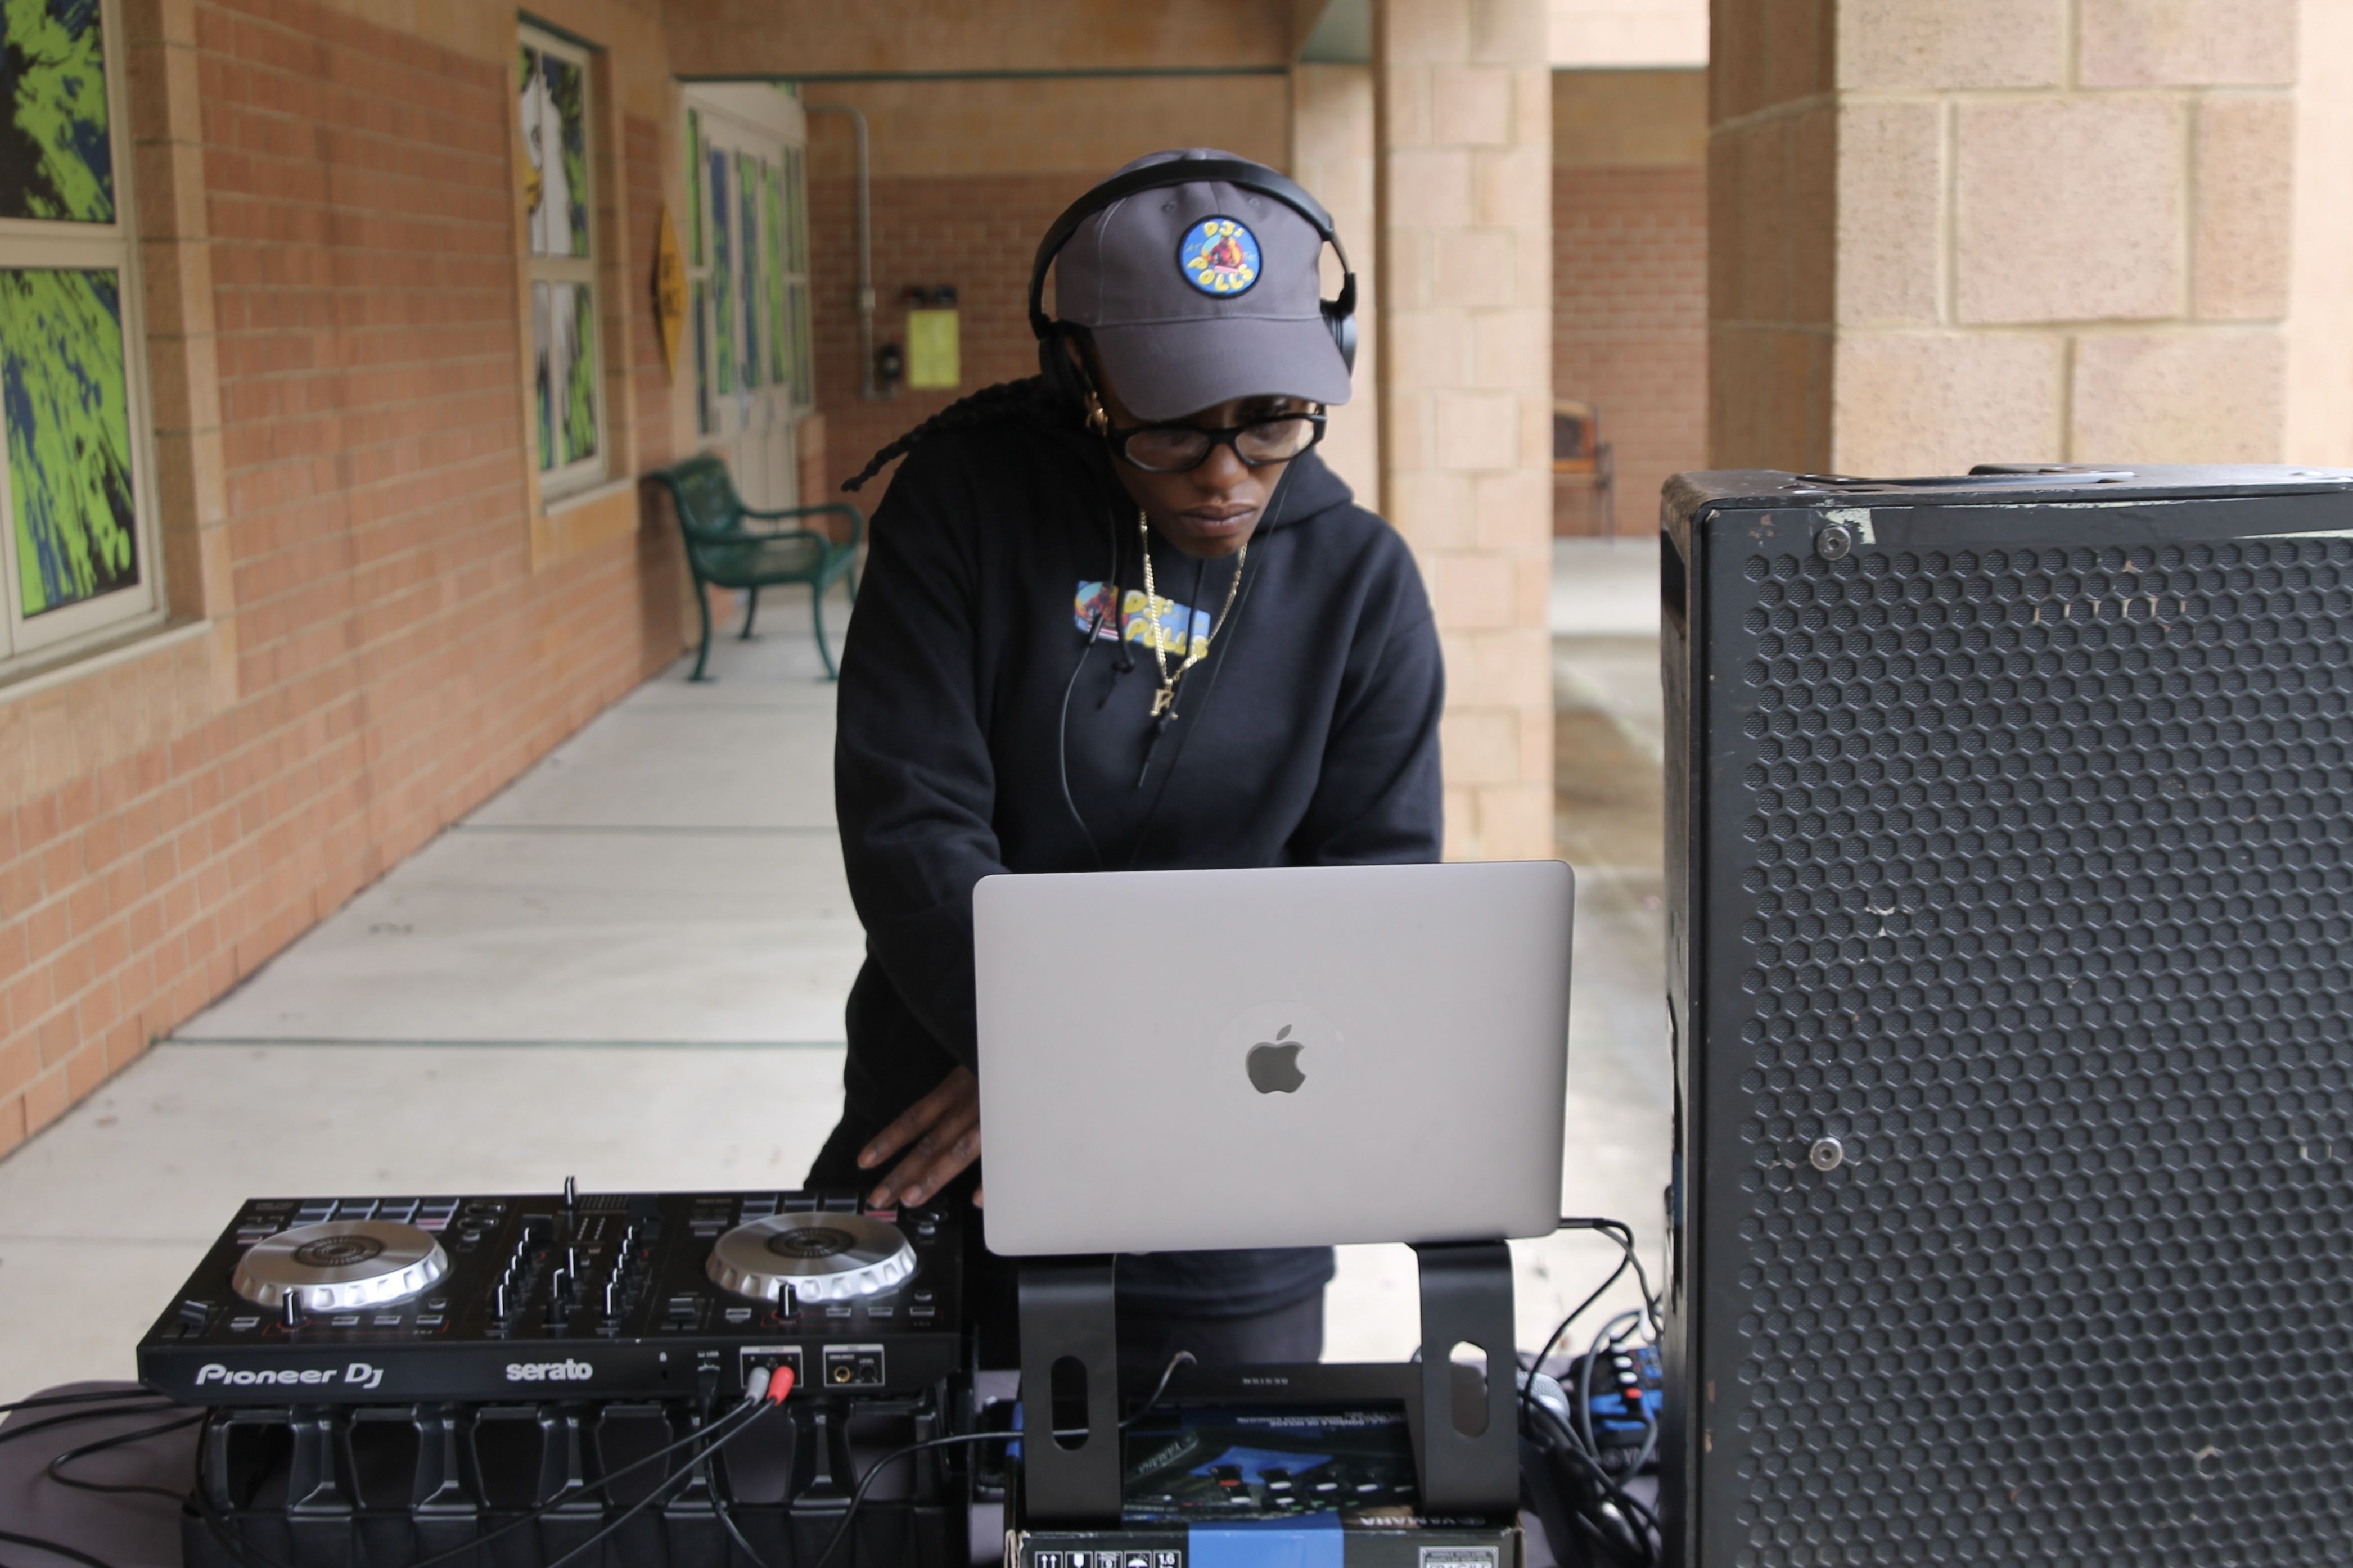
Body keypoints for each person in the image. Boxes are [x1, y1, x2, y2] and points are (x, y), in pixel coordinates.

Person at [807, 150, 1443, 1376]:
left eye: (1270, 421)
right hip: (952, 1112)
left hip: (1227, 1168)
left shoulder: (1362, 585)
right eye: (1168, 426)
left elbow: (1367, 907)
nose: (1224, 471)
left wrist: (1086, 1064)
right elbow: (909, 824)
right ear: (1080, 379)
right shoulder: (960, 508)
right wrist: (1038, 1056)